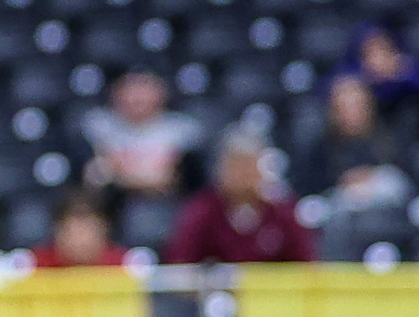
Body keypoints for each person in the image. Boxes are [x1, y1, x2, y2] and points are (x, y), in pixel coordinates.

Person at [165, 135, 315, 265]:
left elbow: (305, 266)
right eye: (236, 167)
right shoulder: (203, 211)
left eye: (249, 167)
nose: (243, 175)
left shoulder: (281, 213)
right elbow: (180, 267)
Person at [80, 68, 204, 200]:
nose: (138, 96)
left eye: (145, 87)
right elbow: (95, 177)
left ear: (161, 92)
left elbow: (182, 179)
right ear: (115, 93)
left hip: (170, 202)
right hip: (113, 203)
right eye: (130, 88)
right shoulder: (98, 126)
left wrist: (122, 176)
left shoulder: (182, 129)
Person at [305, 72, 412, 214]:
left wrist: (373, 176)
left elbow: (408, 180)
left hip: (388, 212)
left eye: (357, 106)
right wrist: (344, 182)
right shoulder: (321, 148)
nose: (351, 114)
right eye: (343, 108)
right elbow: (311, 190)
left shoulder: (390, 139)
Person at [343, 21, 419, 139]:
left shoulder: (407, 75)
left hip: (409, 133)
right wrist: (367, 79)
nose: (378, 60)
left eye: (383, 51)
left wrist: (406, 73)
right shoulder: (356, 77)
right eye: (371, 54)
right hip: (369, 137)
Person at [30, 190, 121, 270]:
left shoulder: (123, 268)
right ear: (58, 233)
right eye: (73, 233)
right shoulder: (33, 269)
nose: (80, 243)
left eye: (86, 233)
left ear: (103, 232)